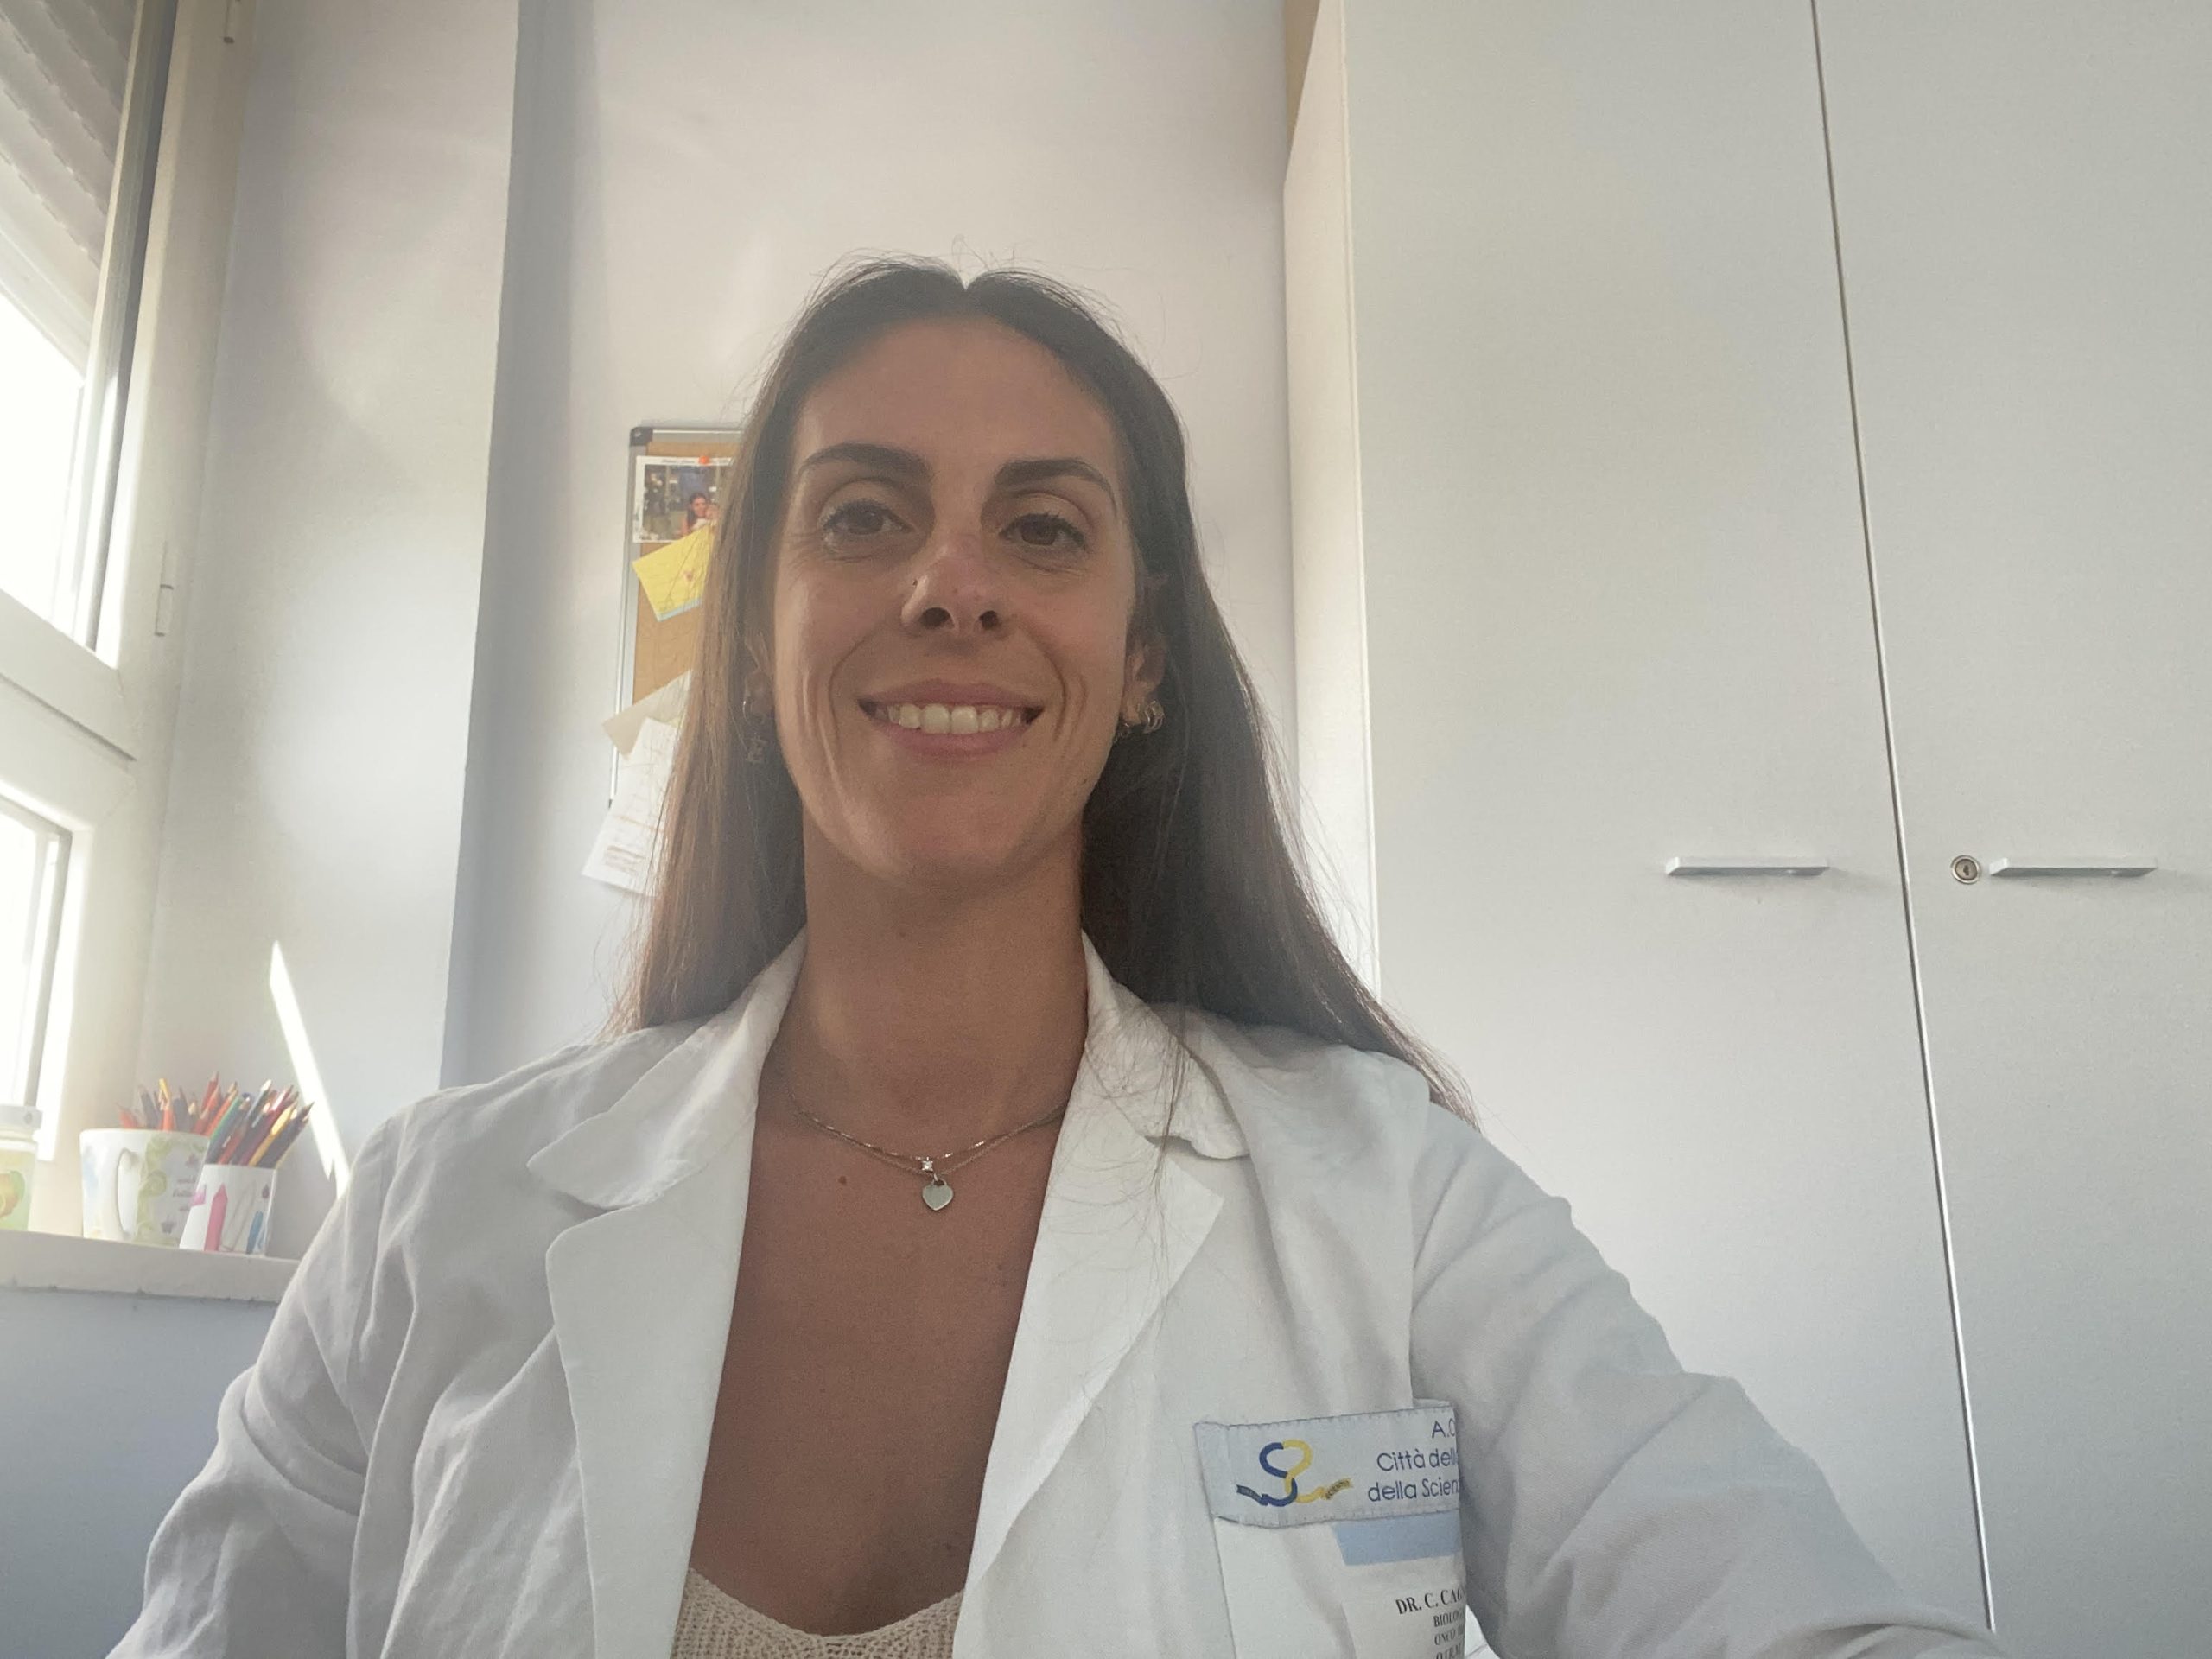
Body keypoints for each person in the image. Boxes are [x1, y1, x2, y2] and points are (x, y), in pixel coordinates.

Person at [112, 257, 2009, 1657]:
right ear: (754, 652)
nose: (953, 584)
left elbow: (1777, 1611)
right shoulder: (432, 1218)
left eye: (1042, 527)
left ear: (1145, 655)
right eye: (864, 517)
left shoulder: (1395, 1201)